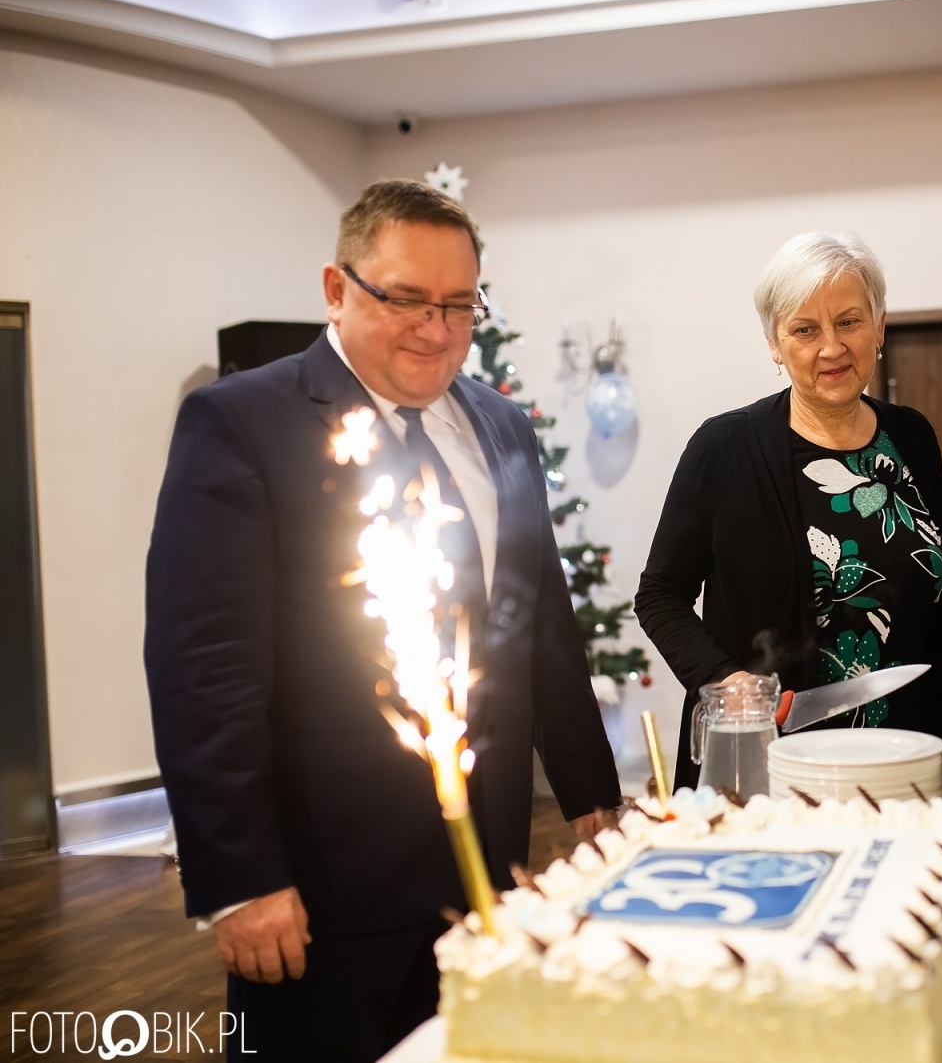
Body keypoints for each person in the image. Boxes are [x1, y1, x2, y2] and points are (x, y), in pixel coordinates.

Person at [145, 179, 621, 1062]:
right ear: (336, 288)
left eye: (457, 305)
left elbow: (540, 619)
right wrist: (241, 878)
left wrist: (593, 792)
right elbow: (203, 667)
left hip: (487, 869)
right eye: (404, 298)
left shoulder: (504, 427)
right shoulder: (241, 423)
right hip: (323, 888)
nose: (434, 329)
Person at [635, 231, 942, 790]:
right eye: (804, 329)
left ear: (879, 326)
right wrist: (723, 681)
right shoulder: (723, 448)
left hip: (906, 761)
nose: (832, 347)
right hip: (770, 764)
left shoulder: (913, 437)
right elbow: (659, 597)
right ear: (774, 343)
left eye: (849, 321)